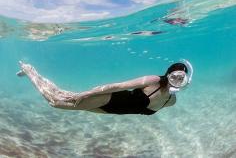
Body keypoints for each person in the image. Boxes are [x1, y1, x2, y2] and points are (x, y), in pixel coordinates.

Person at [17, 60, 193, 115]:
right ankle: (29, 70)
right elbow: (117, 86)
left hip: (111, 111)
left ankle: (35, 74)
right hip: (110, 98)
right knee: (55, 102)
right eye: (174, 76)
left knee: (62, 94)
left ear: (186, 80)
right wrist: (87, 93)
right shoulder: (153, 80)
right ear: (168, 73)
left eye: (181, 78)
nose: (176, 80)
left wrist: (178, 89)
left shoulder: (171, 101)